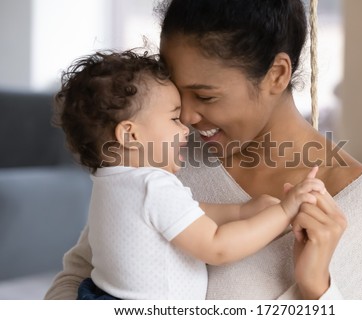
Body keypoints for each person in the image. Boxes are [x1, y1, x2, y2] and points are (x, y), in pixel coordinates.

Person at [45, 0, 362, 300]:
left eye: (205, 95)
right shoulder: (159, 160)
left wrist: (317, 291)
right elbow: (75, 280)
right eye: (176, 91)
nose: (185, 116)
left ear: (277, 75)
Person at [51, 50, 326, 300]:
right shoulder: (152, 185)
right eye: (173, 118)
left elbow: (188, 213)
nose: (185, 128)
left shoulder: (111, 181)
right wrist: (284, 213)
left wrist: (243, 211)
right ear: (130, 134)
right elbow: (217, 247)